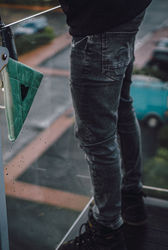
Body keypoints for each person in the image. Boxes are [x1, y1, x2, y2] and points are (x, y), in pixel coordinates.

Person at [58, 0, 152, 249]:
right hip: (126, 12)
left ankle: (107, 230)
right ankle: (131, 197)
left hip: (98, 22)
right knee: (122, 108)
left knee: (96, 138)